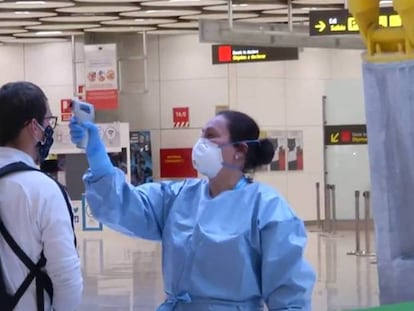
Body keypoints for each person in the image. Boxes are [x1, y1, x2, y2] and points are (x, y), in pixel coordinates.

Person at [70, 107, 315, 311]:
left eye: (211, 136)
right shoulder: (178, 197)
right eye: (201, 135)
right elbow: (121, 206)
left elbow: (289, 296)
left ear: (240, 151)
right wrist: (99, 159)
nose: (200, 144)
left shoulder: (267, 209)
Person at [0, 81, 83, 310]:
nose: (49, 129)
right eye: (48, 121)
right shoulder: (43, 190)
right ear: (33, 127)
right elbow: (66, 278)